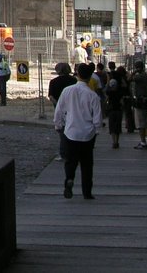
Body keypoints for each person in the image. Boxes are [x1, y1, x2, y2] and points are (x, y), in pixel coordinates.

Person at [53, 62, 103, 200]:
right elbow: (97, 118)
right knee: (87, 164)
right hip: (87, 134)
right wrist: (97, 129)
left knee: (70, 160)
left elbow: (59, 110)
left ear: (78, 74)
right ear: (89, 77)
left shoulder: (67, 91)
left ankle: (69, 179)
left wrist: (58, 125)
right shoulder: (92, 95)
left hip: (71, 132)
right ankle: (87, 191)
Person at [48, 62, 77, 162]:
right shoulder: (74, 80)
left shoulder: (53, 82)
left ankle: (63, 153)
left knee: (62, 133)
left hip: (59, 109)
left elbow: (51, 97)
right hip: (72, 108)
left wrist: (58, 105)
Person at [130, 61, 147, 149]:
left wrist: (134, 72)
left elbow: (129, 79)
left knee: (141, 123)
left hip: (140, 101)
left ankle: (143, 142)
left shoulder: (138, 77)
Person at [104, 70, 125, 149]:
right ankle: (117, 141)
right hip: (118, 110)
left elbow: (106, 100)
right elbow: (122, 102)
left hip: (111, 110)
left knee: (112, 127)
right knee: (117, 127)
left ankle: (113, 142)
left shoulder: (109, 93)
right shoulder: (120, 92)